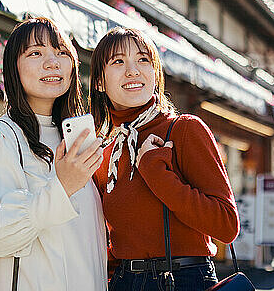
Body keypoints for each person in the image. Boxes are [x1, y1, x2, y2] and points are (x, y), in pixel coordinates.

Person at [0, 18, 107, 291]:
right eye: (35, 53)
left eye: (61, 52)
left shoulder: (75, 139)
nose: (52, 62)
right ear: (14, 69)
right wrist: (62, 187)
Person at [89, 27, 239, 291]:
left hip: (183, 279)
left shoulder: (184, 130)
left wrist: (155, 171)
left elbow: (226, 225)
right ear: (100, 81)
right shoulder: (106, 152)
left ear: (155, 73)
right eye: (118, 61)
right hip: (124, 281)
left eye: (143, 60)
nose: (133, 70)